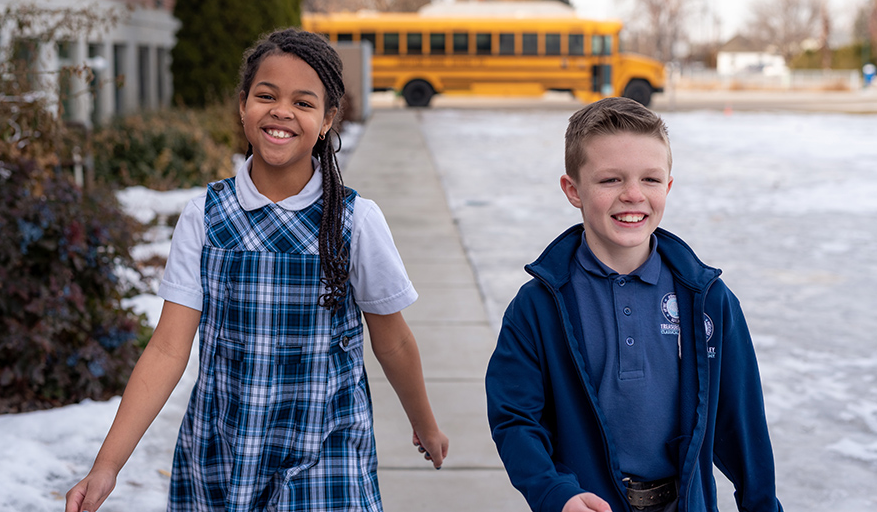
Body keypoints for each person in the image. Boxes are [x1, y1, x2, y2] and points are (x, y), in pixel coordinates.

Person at [66, 28, 448, 512]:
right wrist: (107, 466)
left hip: (327, 453)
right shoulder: (205, 216)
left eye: (304, 103)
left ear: (329, 119)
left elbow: (392, 340)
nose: (281, 111)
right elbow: (167, 348)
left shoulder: (356, 221)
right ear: (243, 104)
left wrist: (425, 423)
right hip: (225, 453)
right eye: (266, 95)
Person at [485, 97, 782, 512]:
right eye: (610, 180)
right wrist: (555, 492)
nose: (632, 195)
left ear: (669, 187)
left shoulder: (709, 300)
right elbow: (516, 420)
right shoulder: (537, 306)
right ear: (573, 189)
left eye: (650, 180)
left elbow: (742, 423)